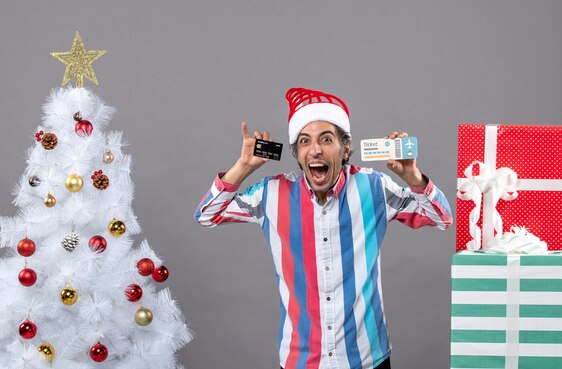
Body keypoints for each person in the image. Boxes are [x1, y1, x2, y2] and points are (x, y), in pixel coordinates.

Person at [194, 88, 452, 369]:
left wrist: (412, 177)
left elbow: (441, 218)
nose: (315, 149)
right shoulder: (272, 193)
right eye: (305, 141)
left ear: (346, 150)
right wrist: (242, 168)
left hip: (367, 360)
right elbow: (207, 214)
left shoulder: (374, 187)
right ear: (298, 153)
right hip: (300, 361)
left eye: (326, 139)